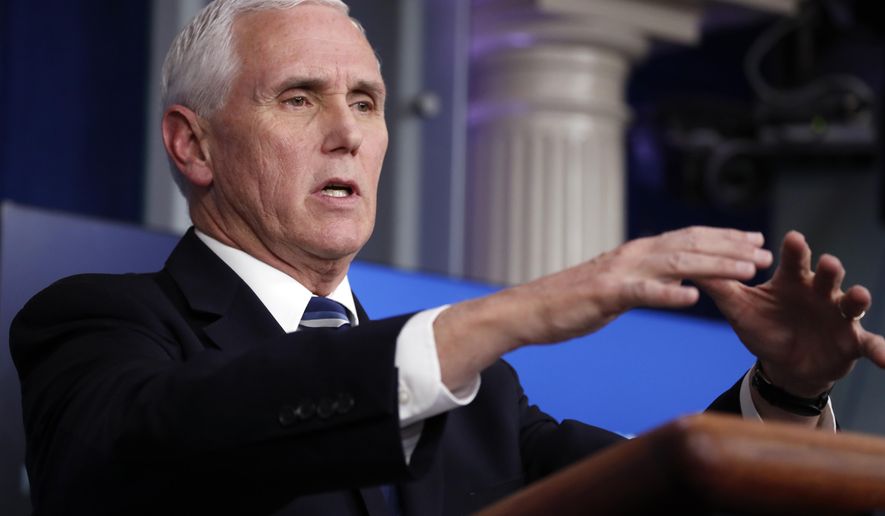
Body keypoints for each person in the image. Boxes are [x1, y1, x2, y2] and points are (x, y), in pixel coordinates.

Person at [10, 0, 885, 514]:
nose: (348, 134)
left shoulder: (478, 398)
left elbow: (659, 494)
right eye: (298, 98)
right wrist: (521, 309)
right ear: (193, 146)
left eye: (366, 100)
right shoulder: (101, 322)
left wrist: (785, 392)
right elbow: (153, 442)